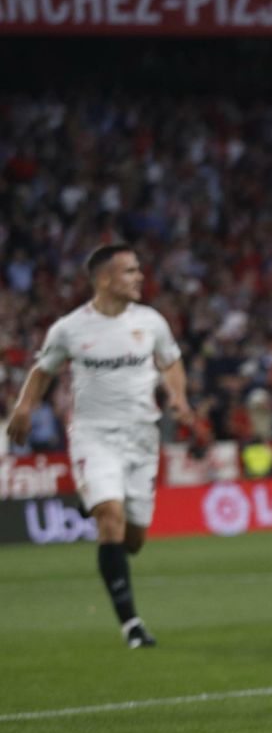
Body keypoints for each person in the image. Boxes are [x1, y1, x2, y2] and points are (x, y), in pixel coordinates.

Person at [4, 243, 194, 649]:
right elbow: (42, 370)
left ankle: (94, 504)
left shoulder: (151, 322)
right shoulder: (71, 328)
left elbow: (171, 361)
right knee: (111, 516)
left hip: (142, 438)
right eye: (129, 271)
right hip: (94, 436)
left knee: (134, 539)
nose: (139, 277)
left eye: (138, 269)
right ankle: (132, 626)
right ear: (105, 279)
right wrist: (23, 406)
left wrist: (178, 397)